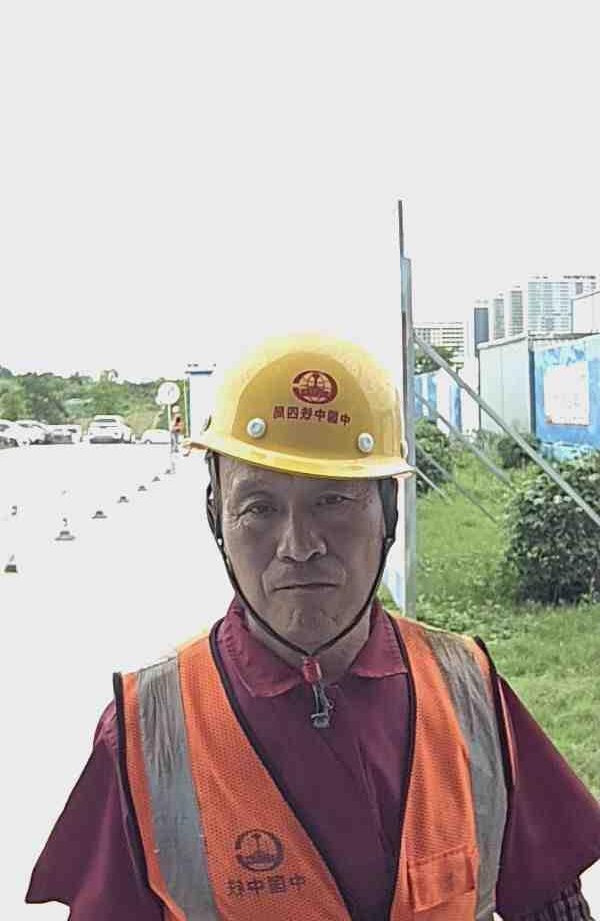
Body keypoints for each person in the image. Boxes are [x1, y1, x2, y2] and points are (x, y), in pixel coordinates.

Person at [26, 333, 600, 920]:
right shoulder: (148, 730)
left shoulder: (468, 691)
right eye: (260, 508)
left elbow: (553, 902)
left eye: (334, 501)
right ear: (216, 518)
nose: (299, 546)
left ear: (388, 513)